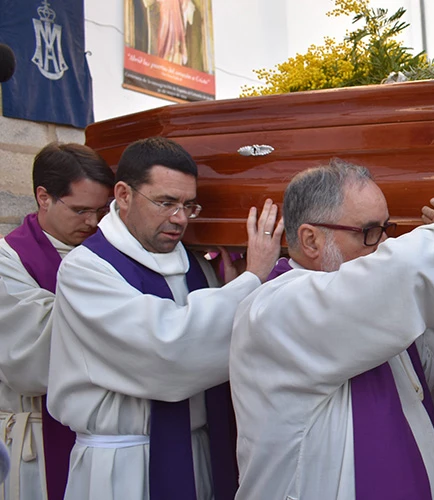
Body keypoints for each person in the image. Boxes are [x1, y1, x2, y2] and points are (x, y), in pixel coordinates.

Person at [229, 160, 434, 500]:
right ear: (311, 240)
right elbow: (403, 268)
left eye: (387, 228)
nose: (385, 244)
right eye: (370, 232)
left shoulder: (363, 312)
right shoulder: (276, 309)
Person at [47, 136, 283, 500]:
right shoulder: (87, 270)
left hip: (199, 454)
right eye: (166, 202)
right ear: (123, 195)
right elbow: (167, 353)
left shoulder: (196, 268)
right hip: (120, 467)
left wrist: (234, 286)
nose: (180, 218)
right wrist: (251, 280)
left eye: (190, 205)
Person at [0, 143, 115, 500]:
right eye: (81, 210)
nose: (93, 222)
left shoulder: (104, 250)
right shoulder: (8, 259)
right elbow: (27, 361)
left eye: (101, 210)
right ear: (43, 196)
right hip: (36, 440)